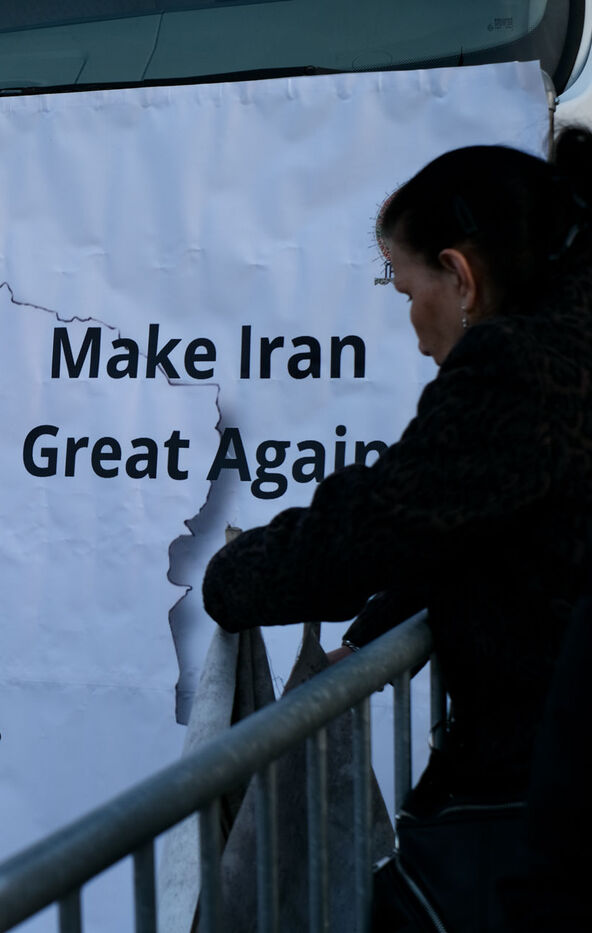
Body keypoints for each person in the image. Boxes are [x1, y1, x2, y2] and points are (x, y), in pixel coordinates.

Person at [201, 129, 592, 931]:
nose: (412, 325)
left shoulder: (518, 366)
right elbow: (479, 519)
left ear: (460, 277)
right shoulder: (575, 333)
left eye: (406, 287)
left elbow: (376, 523)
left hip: (534, 799)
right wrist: (372, 629)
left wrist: (232, 578)